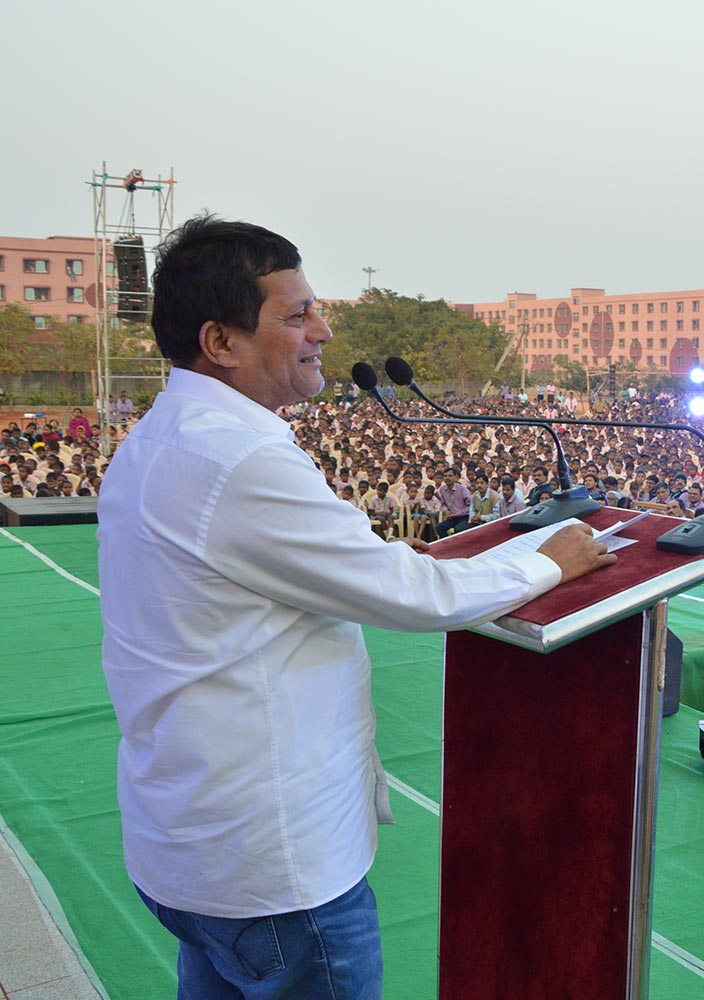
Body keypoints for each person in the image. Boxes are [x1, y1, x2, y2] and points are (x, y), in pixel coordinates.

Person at [97, 215, 615, 998]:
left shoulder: (166, 434)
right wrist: (546, 560)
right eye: (296, 315)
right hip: (271, 867)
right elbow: (411, 594)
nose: (324, 330)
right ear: (221, 341)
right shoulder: (237, 459)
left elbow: (352, 570)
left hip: (194, 847)